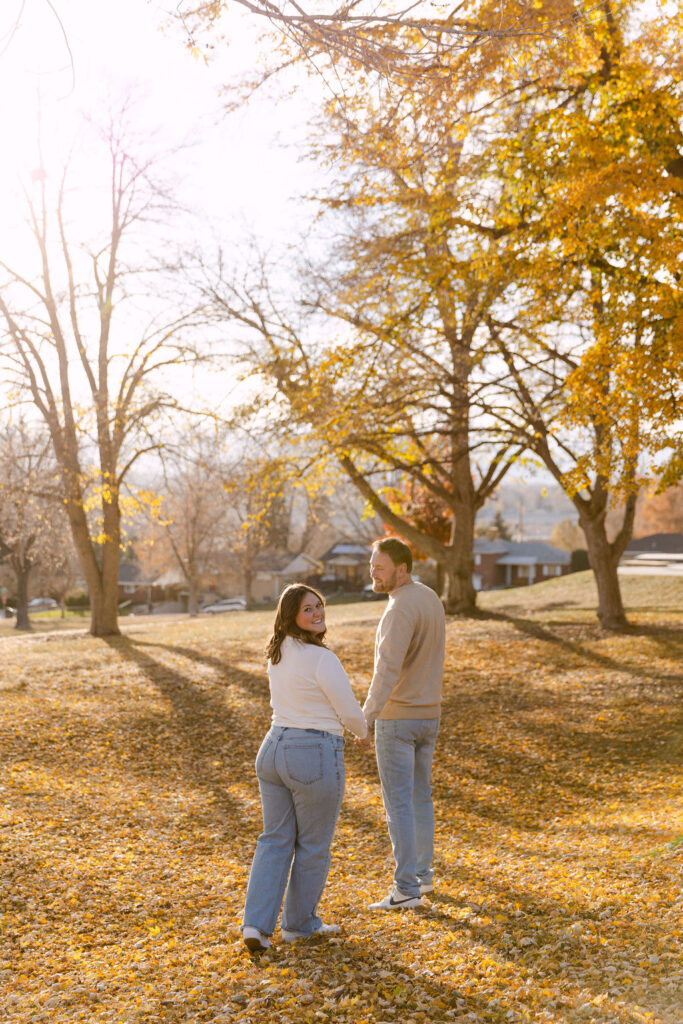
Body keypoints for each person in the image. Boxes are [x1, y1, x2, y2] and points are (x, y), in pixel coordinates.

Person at [241, 583, 367, 952]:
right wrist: (362, 732)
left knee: (274, 840)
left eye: (319, 606)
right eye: (308, 609)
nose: (317, 613)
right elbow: (347, 709)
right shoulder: (322, 659)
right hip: (312, 751)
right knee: (312, 845)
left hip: (273, 748)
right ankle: (298, 925)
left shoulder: (277, 652)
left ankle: (256, 926)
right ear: (291, 616)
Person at [360, 537, 446, 911]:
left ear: (402, 569)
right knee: (419, 798)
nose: (373, 573)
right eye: (372, 566)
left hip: (398, 719)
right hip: (429, 715)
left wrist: (366, 717)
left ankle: (405, 888)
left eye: (380, 567)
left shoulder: (398, 609)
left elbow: (387, 670)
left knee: (399, 805)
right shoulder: (430, 598)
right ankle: (423, 877)